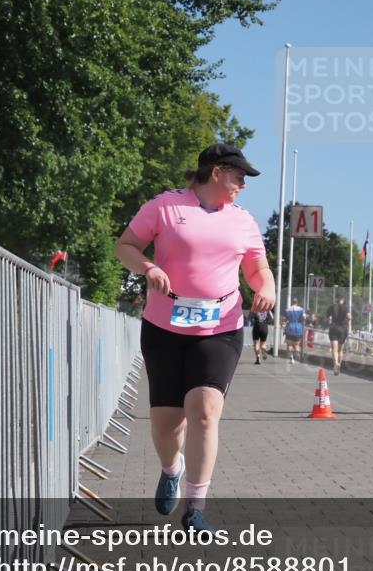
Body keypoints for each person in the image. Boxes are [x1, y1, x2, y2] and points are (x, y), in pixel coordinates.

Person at [114, 143, 275, 534]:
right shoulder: (165, 207)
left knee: (204, 410)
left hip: (220, 326)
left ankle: (196, 506)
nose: (243, 184)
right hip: (164, 325)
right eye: (239, 176)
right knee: (167, 423)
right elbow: (125, 246)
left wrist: (265, 287)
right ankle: (172, 468)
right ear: (216, 172)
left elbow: (258, 267)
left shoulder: (243, 221)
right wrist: (148, 266)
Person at [326, 294, 350, 375]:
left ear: (336, 299)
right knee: (340, 350)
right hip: (343, 329)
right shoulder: (345, 308)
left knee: (334, 349)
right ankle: (339, 365)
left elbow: (328, 318)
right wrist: (347, 321)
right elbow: (349, 317)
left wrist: (330, 323)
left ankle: (335, 363)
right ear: (343, 299)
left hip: (334, 328)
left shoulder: (331, 307)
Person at [284, 299, 305, 363]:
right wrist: (301, 322)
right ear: (297, 302)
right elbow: (304, 318)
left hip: (290, 327)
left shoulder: (288, 310)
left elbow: (284, 319)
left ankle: (291, 358)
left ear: (291, 302)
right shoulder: (301, 309)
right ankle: (297, 352)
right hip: (298, 328)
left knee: (289, 344)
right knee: (296, 344)